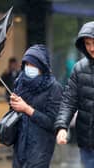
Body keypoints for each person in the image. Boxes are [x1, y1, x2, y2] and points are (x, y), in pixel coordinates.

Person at [10, 44, 62, 168]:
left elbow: (53, 123)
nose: (29, 68)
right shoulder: (20, 82)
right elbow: (14, 115)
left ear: (42, 66)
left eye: (33, 64)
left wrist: (27, 109)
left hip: (40, 149)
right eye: (26, 64)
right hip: (20, 147)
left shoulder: (54, 87)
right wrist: (13, 104)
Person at [54, 21, 94, 168]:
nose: (91, 48)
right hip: (87, 142)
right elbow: (69, 101)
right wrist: (62, 127)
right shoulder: (79, 68)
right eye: (87, 43)